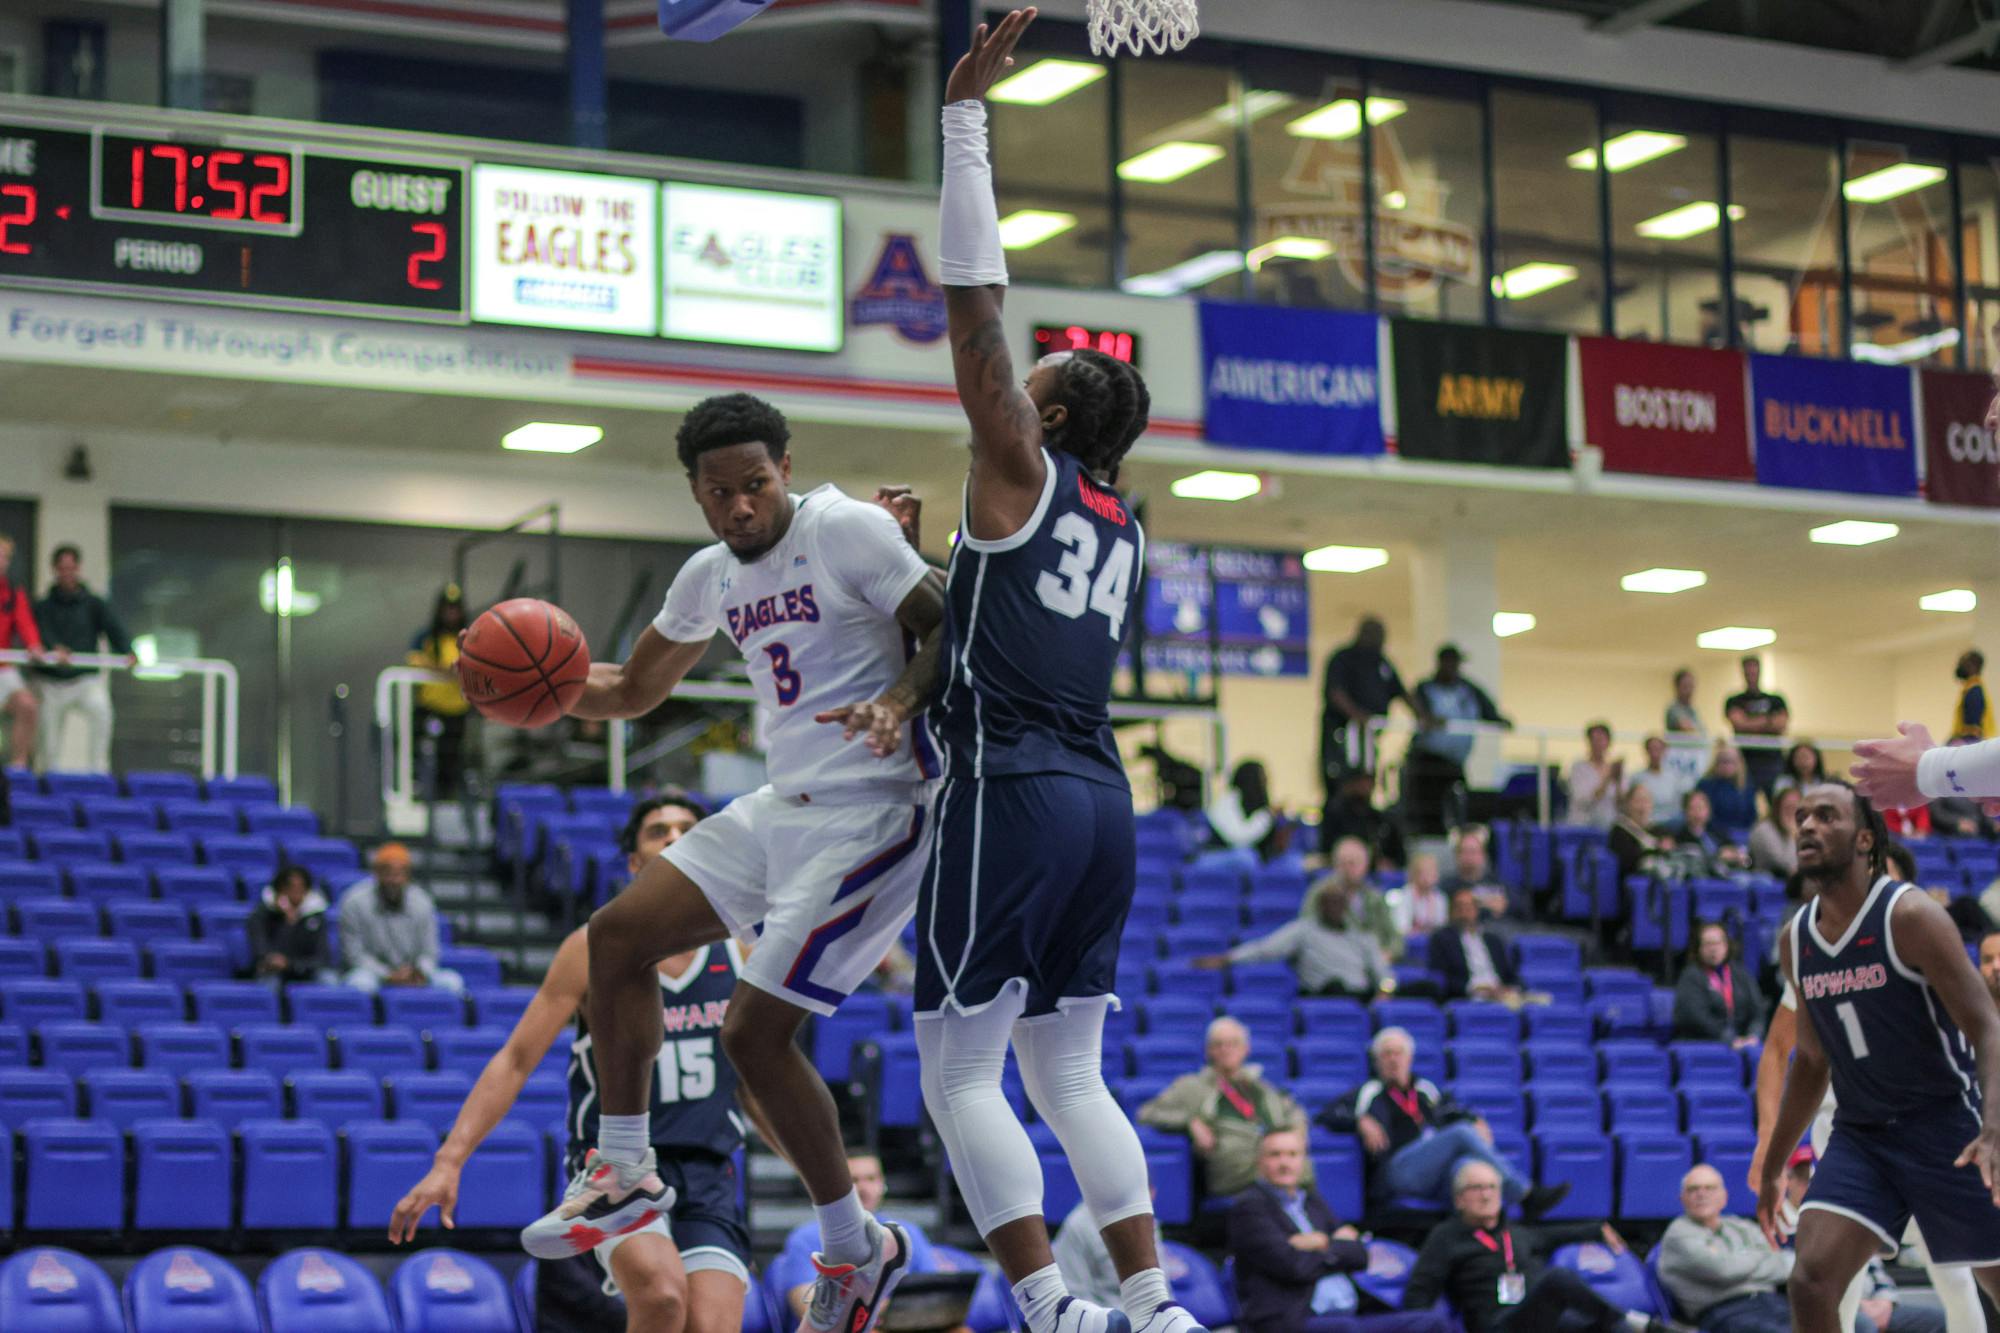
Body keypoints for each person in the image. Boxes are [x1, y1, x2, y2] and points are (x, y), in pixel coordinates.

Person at [515, 391, 945, 1333]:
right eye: (720, 492)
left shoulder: (848, 531)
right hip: (781, 806)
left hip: (875, 812)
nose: (740, 506)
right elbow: (630, 688)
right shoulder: (710, 573)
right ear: (698, 496)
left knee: (751, 1035)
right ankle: (624, 1169)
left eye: (755, 484)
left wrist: (900, 701)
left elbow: (954, 621)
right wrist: (528, 696)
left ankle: (855, 1244)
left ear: (785, 470)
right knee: (615, 937)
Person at [916, 16, 1191, 1333]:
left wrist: (965, 123)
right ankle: (1149, 1302)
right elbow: (983, 616)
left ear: (1058, 415)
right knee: (1070, 1071)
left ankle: (1044, 1304)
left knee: (957, 1070)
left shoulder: (1023, 465)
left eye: (1036, 383)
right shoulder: (1124, 523)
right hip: (1099, 797)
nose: (1013, 382)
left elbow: (974, 300)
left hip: (1012, 786)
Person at [391, 794, 758, 1333]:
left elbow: (757, 1082)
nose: (676, 838)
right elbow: (516, 1060)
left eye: (688, 828)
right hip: (615, 1170)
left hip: (709, 1170)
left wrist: (828, 1176)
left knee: (713, 1325)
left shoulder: (738, 953)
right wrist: (450, 1160)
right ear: (636, 863)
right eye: (659, 831)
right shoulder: (592, 947)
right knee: (661, 1298)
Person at [1754, 782, 2000, 1328]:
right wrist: (1774, 1166)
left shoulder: (1911, 916)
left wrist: (1993, 1126)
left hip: (1946, 1126)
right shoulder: (1797, 939)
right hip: (1863, 1134)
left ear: (1866, 839)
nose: (1808, 827)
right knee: (1811, 1280)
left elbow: (1987, 1026)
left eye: (1826, 816)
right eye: (1801, 818)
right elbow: (1812, 1062)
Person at [1401, 1161, 1675, 1333]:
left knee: (1600, 1326)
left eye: (1492, 1187)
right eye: (1476, 1188)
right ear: (1459, 1200)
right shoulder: (1446, 1236)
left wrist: (1597, 1229)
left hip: (1541, 1318)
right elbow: (1420, 1291)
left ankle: (1630, 1325)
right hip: (1499, 1326)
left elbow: (1556, 1235)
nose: (1486, 1195)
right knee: (1558, 1280)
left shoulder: (1517, 1233)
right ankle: (1640, 1323)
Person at [1317, 1028, 1562, 1218]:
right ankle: (1525, 1194)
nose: (1393, 1060)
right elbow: (1325, 1115)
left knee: (1466, 1165)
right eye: (1386, 1054)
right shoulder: (1368, 1092)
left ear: (1409, 1057)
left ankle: (1489, 1238)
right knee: (1460, 1135)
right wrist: (1360, 1120)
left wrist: (1474, 1119)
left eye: (1398, 1053)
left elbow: (1451, 1111)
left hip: (1432, 1170)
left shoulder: (1426, 1090)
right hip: (1396, 1169)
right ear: (1377, 1061)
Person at [1228, 1128, 1452, 1333]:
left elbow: (1359, 1254)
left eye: (1292, 1154)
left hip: (1350, 1314)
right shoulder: (1249, 1208)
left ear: (1303, 1160)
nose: (1284, 1163)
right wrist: (1337, 1247)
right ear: (1259, 1162)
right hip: (1292, 1320)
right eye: (1275, 1155)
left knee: (1431, 1323)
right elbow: (1293, 1266)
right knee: (1346, 1329)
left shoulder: (1312, 1201)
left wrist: (1321, 1242)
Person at [772, 1152, 955, 1326]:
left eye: (871, 1179)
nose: (863, 1189)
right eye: (853, 1180)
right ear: (835, 1187)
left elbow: (935, 1299)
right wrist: (888, 1309)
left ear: (882, 1184)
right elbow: (811, 1313)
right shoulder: (805, 1238)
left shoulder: (908, 1232)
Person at [1137, 1018, 1309, 1200]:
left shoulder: (1259, 1086)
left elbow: (1293, 1111)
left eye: (1233, 1044)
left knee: (1299, 1165)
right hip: (1234, 1169)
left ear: (1246, 1049)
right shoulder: (1191, 1087)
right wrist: (1190, 1121)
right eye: (1218, 1045)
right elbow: (1147, 1113)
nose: (1226, 1050)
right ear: (1208, 1051)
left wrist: (1298, 1130)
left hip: (1271, 1161)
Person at [30, 544, 132, 774]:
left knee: (102, 711)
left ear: (78, 568)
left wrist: (127, 650)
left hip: (84, 679)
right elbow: (38, 633)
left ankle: (98, 772)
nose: (67, 572)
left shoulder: (94, 604)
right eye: (62, 567)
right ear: (55, 569)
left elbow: (113, 628)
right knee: (49, 739)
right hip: (51, 682)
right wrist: (53, 648)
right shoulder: (42, 606)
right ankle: (50, 778)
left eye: (71, 567)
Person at [1195, 879, 1390, 999]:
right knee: (1335, 987)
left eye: (1339, 903)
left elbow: (1384, 974)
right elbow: (1266, 949)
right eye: (1329, 903)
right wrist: (1228, 958)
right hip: (1323, 994)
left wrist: (1385, 991)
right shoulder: (1303, 930)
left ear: (1346, 906)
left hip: (1360, 996)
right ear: (1320, 905)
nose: (1334, 908)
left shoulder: (1362, 935)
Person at [1655, 1165, 1792, 1333]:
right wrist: (1760, 1257)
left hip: (1771, 1302)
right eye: (1693, 1189)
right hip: (1725, 1312)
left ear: (1724, 1197)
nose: (1701, 1194)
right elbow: (1724, 1270)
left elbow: (1783, 1264)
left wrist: (1741, 1262)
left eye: (1710, 1188)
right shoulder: (1678, 1233)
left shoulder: (1741, 1226)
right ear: (1682, 1198)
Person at [1406, 645, 1509, 837]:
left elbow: (1488, 710)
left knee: (1459, 803)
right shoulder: (1425, 688)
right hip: (1428, 761)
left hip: (1455, 762)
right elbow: (1419, 712)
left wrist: (1499, 720)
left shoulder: (1468, 690)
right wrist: (1428, 718)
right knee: (1429, 806)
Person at [1320, 615, 1412, 829]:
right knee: (1343, 783)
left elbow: (1401, 692)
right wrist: (1357, 715)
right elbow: (1335, 692)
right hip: (1343, 736)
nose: (1380, 642)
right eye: (1376, 636)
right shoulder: (1342, 658)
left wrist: (1424, 717)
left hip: (1370, 737)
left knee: (1368, 775)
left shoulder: (1382, 663)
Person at [338, 843, 462, 993]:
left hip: (413, 974)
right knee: (360, 984)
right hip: (373, 974)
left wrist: (417, 972)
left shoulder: (422, 902)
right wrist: (388, 974)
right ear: (376, 873)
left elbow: (429, 952)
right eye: (388, 873)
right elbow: (354, 955)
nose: (394, 880)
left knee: (451, 982)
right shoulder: (354, 902)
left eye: (400, 873)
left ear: (408, 876)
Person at [408, 586, 471, 799]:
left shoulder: (468, 638)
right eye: (447, 609)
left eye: (455, 609)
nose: (451, 614)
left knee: (451, 761)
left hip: (457, 710)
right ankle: (421, 791)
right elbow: (414, 662)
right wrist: (447, 671)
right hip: (430, 707)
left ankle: (447, 797)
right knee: (421, 754)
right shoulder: (426, 636)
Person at [1054, 1201, 1164, 1313]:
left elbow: (1162, 1293)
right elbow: (1073, 1296)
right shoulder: (1079, 1224)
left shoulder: (1148, 1220)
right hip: (1103, 1323)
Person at [1671, 922, 1763, 1047]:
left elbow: (1757, 1011)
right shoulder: (1690, 977)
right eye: (1708, 944)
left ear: (1726, 946)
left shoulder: (1741, 974)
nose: (1713, 949)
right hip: (1704, 1044)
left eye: (1718, 943)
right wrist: (1728, 1039)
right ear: (1698, 949)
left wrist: (1754, 1035)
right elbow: (1697, 1017)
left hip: (1742, 1042)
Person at [1425, 890, 1525, 1003]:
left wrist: (1511, 988)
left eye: (1468, 907)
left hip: (1499, 996)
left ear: (1476, 910)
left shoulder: (1493, 940)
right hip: (1467, 997)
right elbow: (1441, 977)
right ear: (1451, 912)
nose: (1464, 912)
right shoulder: (1441, 939)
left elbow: (1510, 975)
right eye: (1459, 907)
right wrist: (1474, 989)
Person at [248, 864, 333, 990]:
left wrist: (291, 964)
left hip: (305, 970)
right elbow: (261, 952)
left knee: (328, 979)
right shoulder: (261, 915)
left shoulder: (316, 916)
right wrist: (288, 921)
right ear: (278, 890)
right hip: (272, 971)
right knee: (268, 984)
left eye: (300, 888)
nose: (295, 893)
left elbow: (322, 957)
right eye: (289, 888)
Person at [0, 533, 43, 768]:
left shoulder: (13, 594)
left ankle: (18, 765)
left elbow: (26, 624)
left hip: (3, 668)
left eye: (5, 558)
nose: (1, 562)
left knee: (27, 704)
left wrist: (34, 645)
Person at [1724, 658, 1788, 797]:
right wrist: (1768, 720)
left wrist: (1749, 722)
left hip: (1772, 760)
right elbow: (1739, 724)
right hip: (1746, 760)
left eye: (1754, 670)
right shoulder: (1734, 700)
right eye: (1748, 671)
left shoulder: (1776, 700)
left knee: (1777, 798)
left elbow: (1780, 724)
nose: (1751, 674)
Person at [1320, 770, 1407, 870]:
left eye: (1368, 782)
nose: (1364, 787)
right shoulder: (1334, 817)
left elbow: (1399, 856)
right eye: (1360, 782)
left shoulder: (1380, 819)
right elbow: (1326, 852)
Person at [1207, 760, 1289, 862]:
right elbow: (1239, 838)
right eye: (1261, 779)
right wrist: (1267, 816)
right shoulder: (1226, 803)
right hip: (1228, 859)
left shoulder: (1258, 803)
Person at [1438, 827, 1517, 922]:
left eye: (1473, 852)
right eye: (1464, 851)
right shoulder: (1446, 886)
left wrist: (1505, 905)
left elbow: (1521, 907)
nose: (1469, 857)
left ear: (1483, 855)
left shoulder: (1497, 882)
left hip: (1497, 931)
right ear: (1456, 855)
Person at [1609, 785, 1672, 883]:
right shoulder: (1619, 831)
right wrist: (1657, 849)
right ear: (1628, 804)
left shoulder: (1661, 831)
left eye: (1646, 801)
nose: (1642, 806)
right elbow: (1626, 862)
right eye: (1638, 801)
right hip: (1633, 887)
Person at [1694, 752, 1759, 843]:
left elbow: (1752, 816)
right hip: (1712, 833)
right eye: (1723, 761)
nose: (1727, 765)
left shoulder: (1748, 787)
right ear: (1716, 763)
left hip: (1742, 834)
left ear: (1739, 763)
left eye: (1731, 762)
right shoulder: (1705, 785)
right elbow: (1702, 815)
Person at [1567, 722, 1622, 830]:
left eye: (1602, 740)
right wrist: (1607, 779)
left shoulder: (1616, 769)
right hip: (1583, 826)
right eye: (1595, 740)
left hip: (1609, 826)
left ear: (1609, 743)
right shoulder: (1579, 768)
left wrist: (1618, 781)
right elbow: (1584, 800)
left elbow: (1622, 803)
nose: (1598, 744)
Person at [1387, 854, 1450, 938]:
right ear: (1414, 874)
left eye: (1431, 871)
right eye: (1423, 872)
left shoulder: (1440, 898)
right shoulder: (1404, 896)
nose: (1427, 877)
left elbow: (1441, 926)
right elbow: (1401, 928)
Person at [1628, 736, 1691, 818]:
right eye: (1652, 749)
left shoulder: (1675, 777)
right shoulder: (1637, 778)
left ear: (1664, 751)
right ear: (1646, 752)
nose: (1655, 754)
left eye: (1658, 749)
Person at [1746, 786, 1799, 877]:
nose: (1791, 813)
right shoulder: (1764, 830)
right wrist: (1793, 836)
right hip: (1766, 885)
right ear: (1777, 808)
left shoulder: (1802, 831)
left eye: (1795, 808)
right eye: (1787, 808)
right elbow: (1784, 863)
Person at [1950, 650, 1990, 743]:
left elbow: (1973, 729)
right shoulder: (1969, 689)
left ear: (1973, 666)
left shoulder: (1974, 690)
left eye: (1963, 663)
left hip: (1973, 741)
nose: (1959, 666)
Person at [1667, 668, 1706, 738]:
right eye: (1685, 687)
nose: (1689, 691)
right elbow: (1688, 728)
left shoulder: (1692, 710)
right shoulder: (1674, 709)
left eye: (1691, 686)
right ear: (1677, 687)